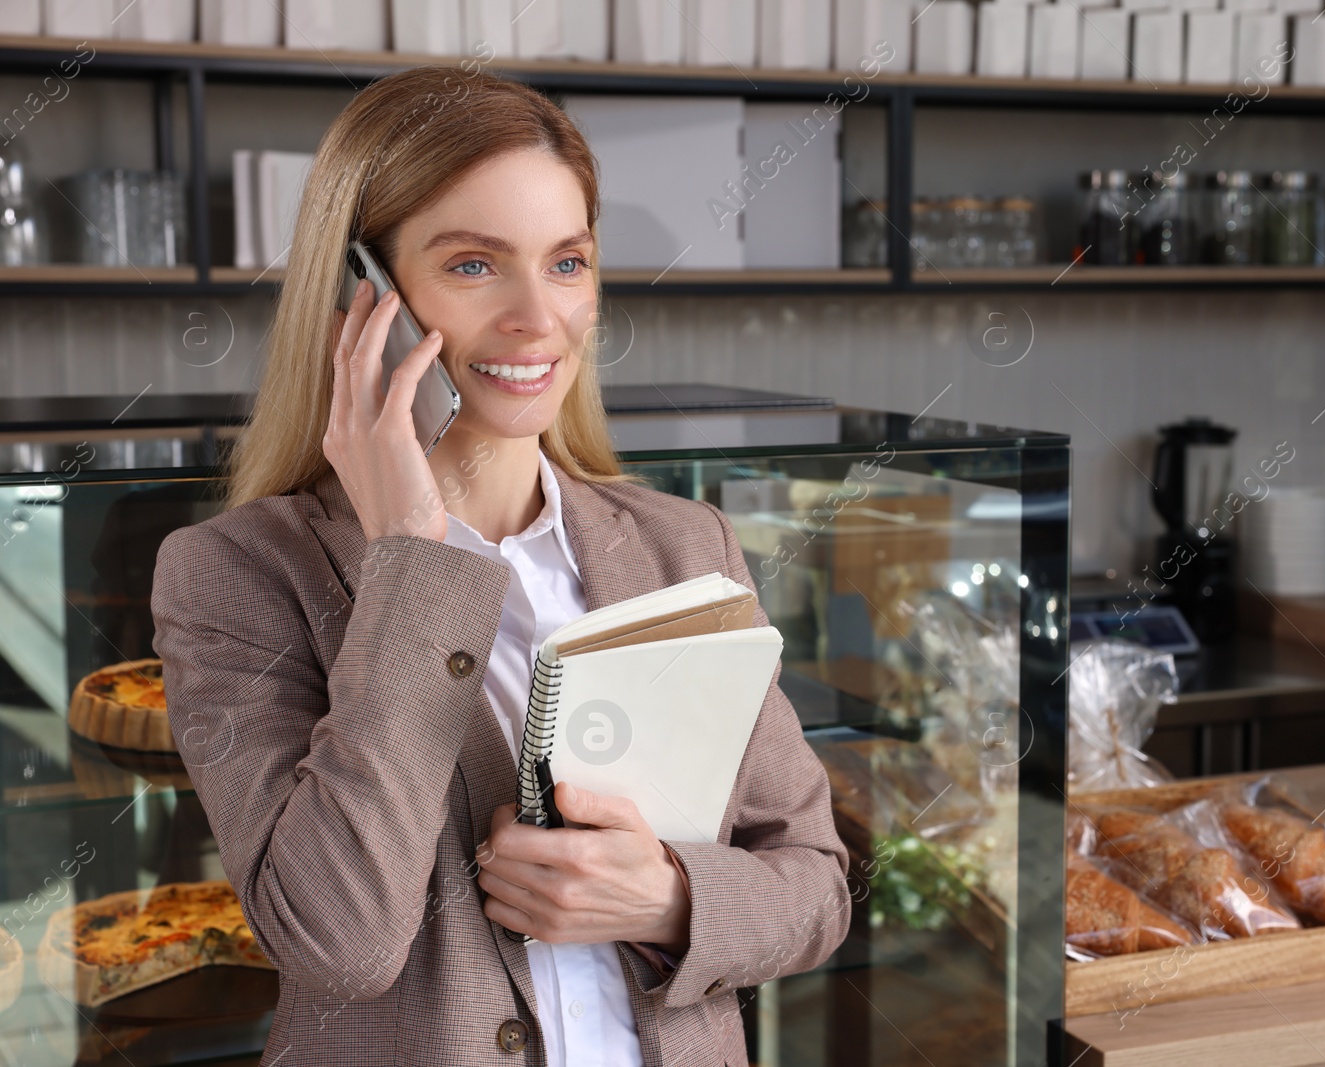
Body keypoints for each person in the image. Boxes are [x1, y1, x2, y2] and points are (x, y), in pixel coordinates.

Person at [150, 65, 848, 1067]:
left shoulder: (685, 546)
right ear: (365, 296)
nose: (538, 316)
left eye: (567, 263)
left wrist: (665, 897)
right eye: (475, 265)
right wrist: (409, 565)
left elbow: (818, 884)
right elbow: (341, 942)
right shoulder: (237, 575)